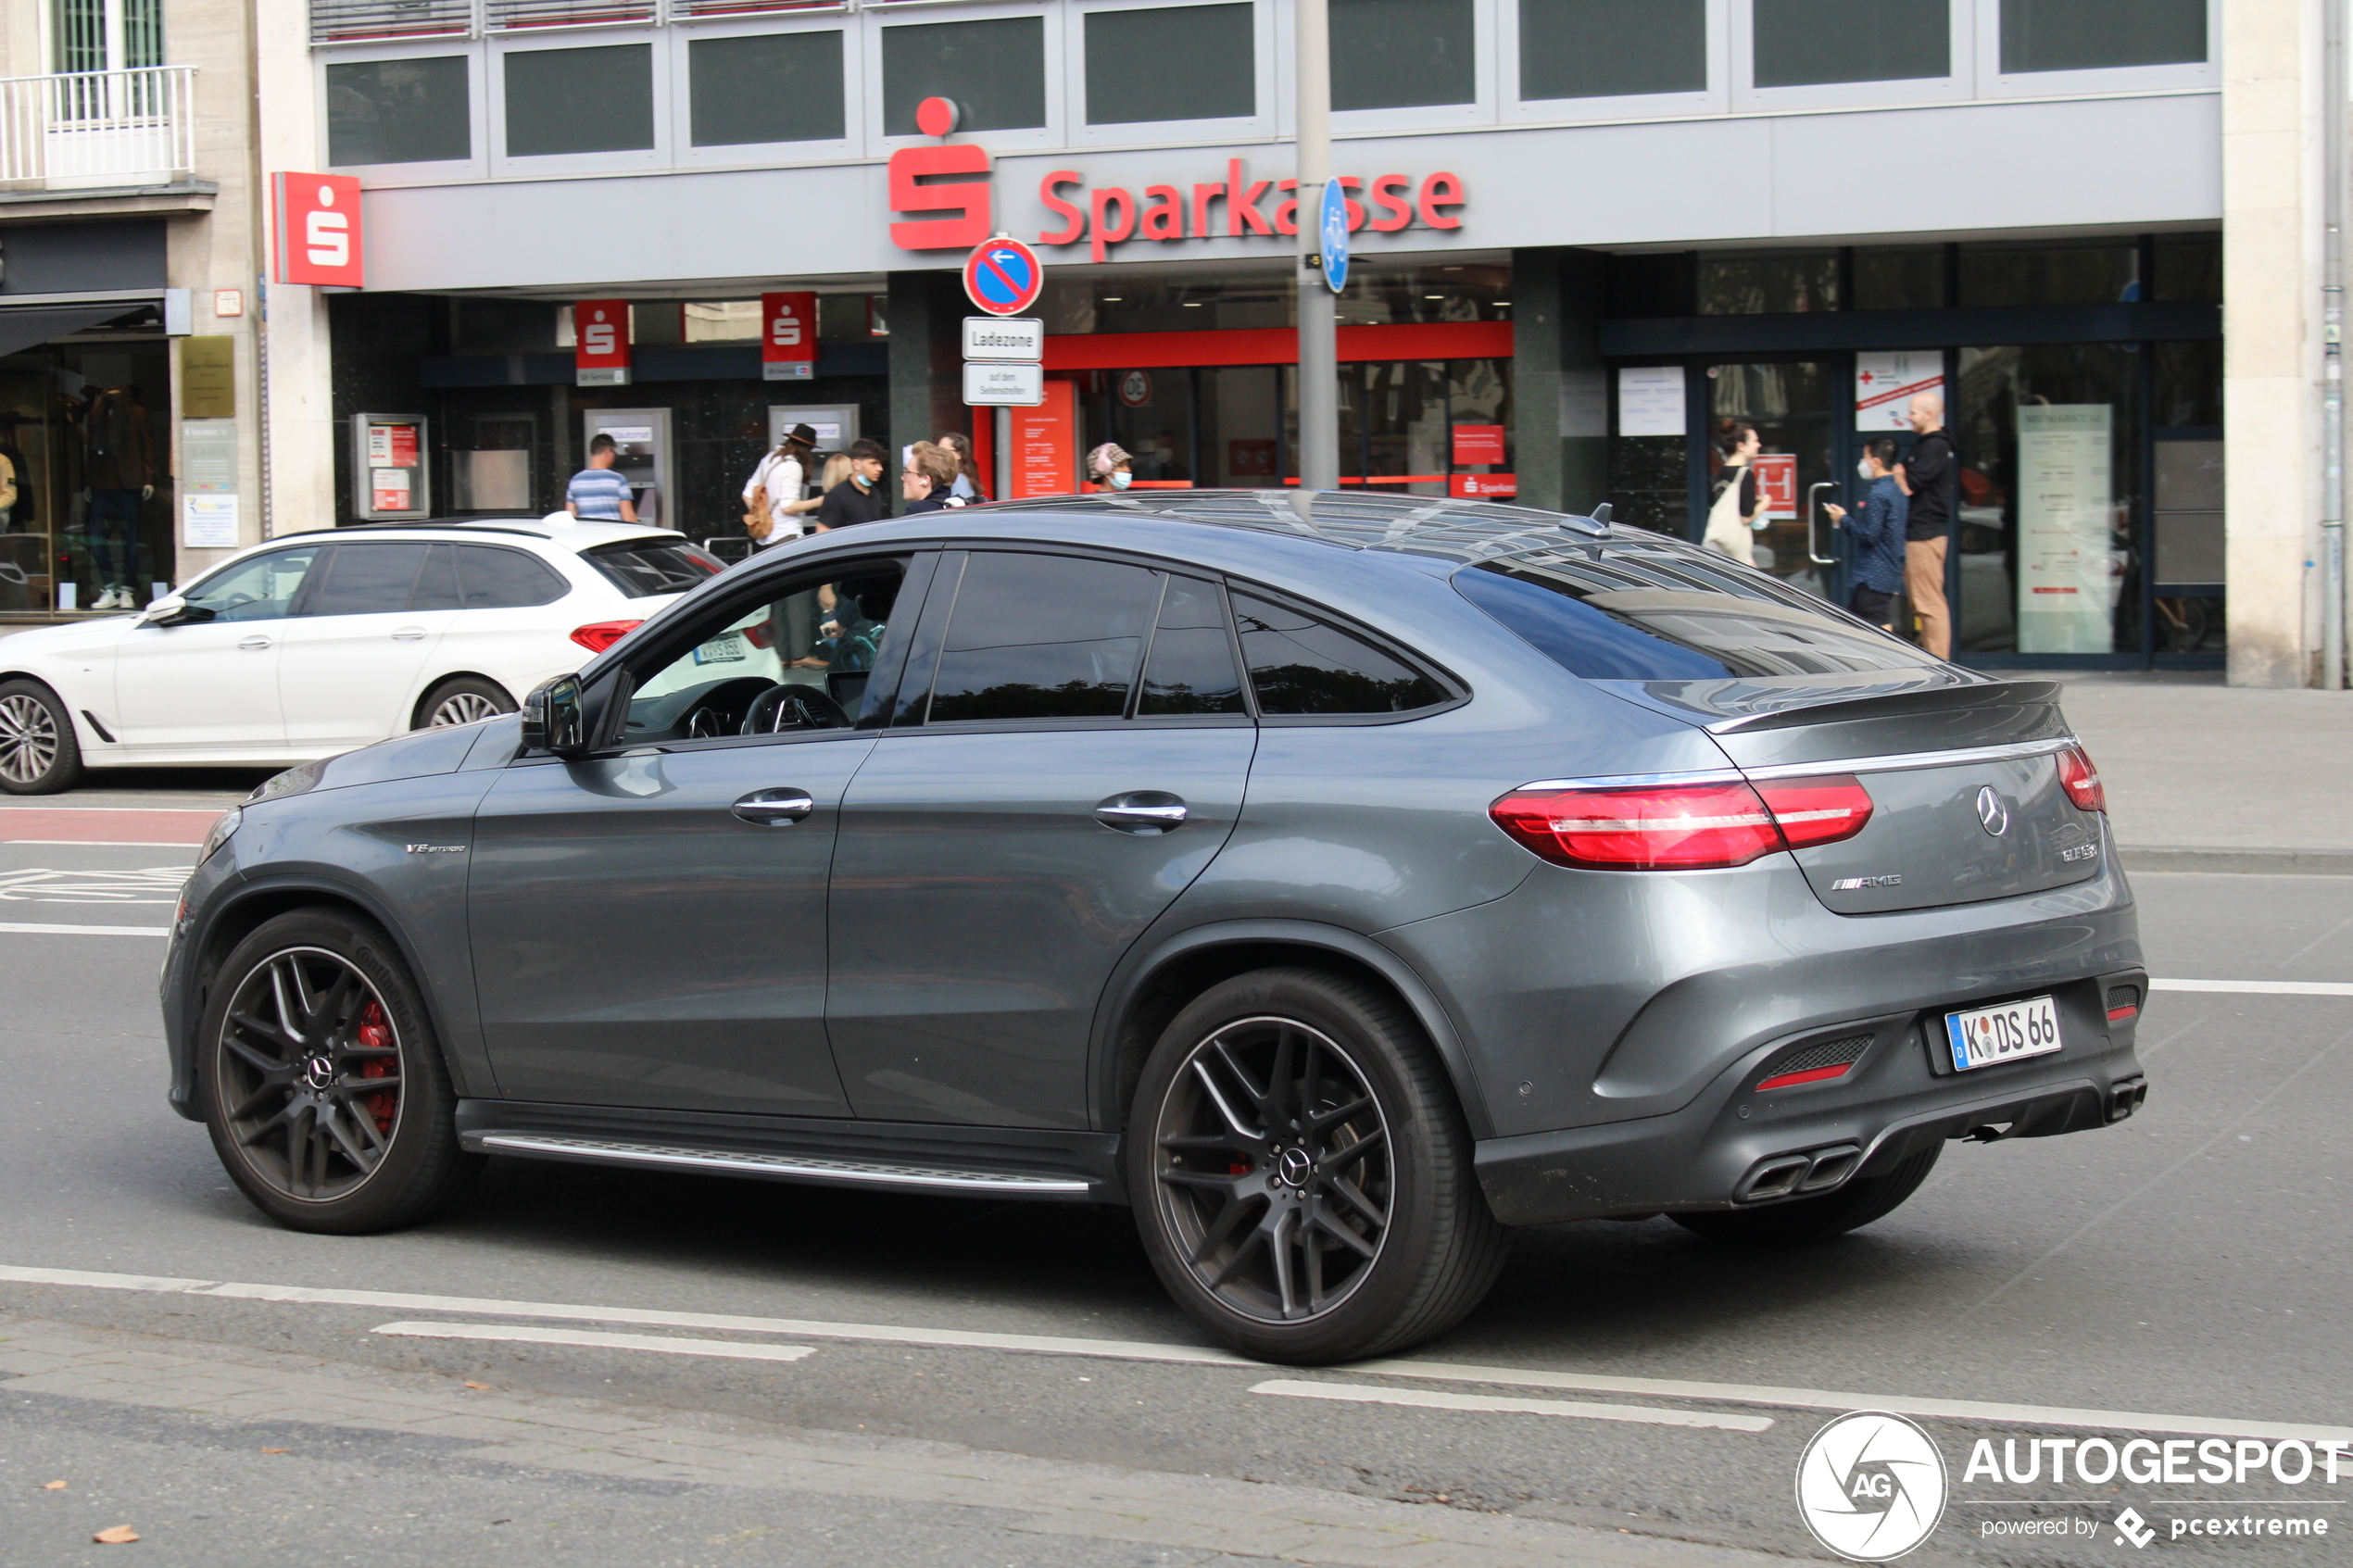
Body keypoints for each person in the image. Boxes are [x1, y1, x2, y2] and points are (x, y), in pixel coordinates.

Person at [1823, 435, 1907, 631]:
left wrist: (1842, 519)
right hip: (1886, 569)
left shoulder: (1878, 494)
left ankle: (1888, 660)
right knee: (1858, 621)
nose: (1861, 463)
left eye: (1864, 457)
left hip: (1873, 574)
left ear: (1876, 462)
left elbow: (1870, 534)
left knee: (1877, 622)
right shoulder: (1896, 490)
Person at [1895, 392, 1956, 659]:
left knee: (1929, 603)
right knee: (1922, 602)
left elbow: (1910, 486)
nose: (1908, 417)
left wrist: (1897, 474)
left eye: (1913, 412)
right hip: (1920, 531)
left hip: (1924, 532)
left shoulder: (1934, 446)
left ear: (1929, 414)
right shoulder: (1929, 444)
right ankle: (1934, 658)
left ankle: (1941, 663)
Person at [741, 422, 821, 546]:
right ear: (806, 449)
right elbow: (788, 507)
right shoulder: (793, 466)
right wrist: (819, 501)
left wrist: (763, 516)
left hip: (766, 537)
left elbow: (746, 494)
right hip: (786, 535)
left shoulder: (770, 459)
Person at [1701, 423, 1764, 563]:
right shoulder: (1744, 474)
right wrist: (1765, 504)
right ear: (1741, 446)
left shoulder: (1723, 472)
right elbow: (1745, 518)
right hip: (1732, 546)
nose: (1758, 445)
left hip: (1716, 543)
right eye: (1754, 441)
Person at [814, 438, 892, 530]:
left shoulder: (876, 493)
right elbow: (823, 533)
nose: (880, 468)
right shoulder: (837, 495)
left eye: (880, 464)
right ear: (856, 464)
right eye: (873, 463)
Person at [566, 433, 638, 522]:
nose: (614, 459)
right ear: (607, 451)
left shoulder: (575, 481)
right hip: (613, 534)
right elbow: (628, 517)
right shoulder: (618, 480)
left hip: (587, 534)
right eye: (614, 454)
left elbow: (570, 516)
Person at [900, 441, 964, 514]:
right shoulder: (960, 506)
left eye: (908, 472)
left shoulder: (918, 510)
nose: (903, 478)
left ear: (925, 480)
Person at [935, 432, 988, 502]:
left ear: (959, 454)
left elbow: (959, 508)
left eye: (943, 451)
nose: (937, 454)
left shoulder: (958, 480)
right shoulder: (955, 477)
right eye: (937, 449)